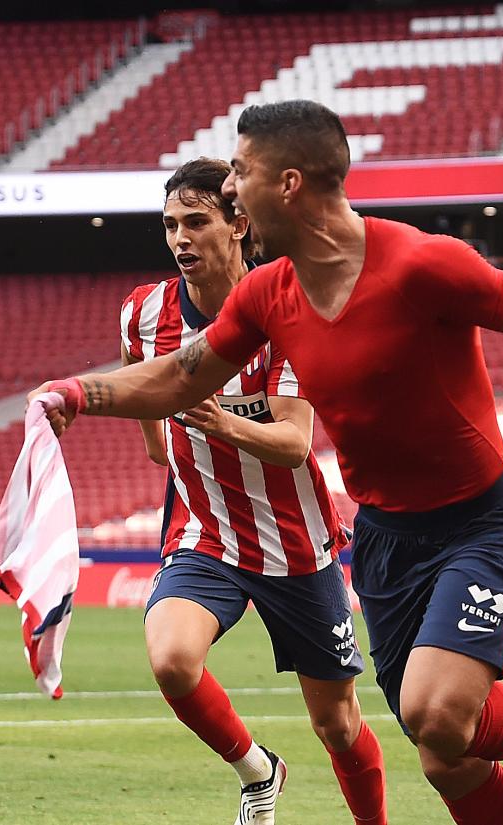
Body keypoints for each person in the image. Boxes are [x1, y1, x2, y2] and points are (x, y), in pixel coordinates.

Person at [32, 99, 503, 825]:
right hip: (385, 540)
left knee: (434, 710)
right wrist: (76, 392)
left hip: (486, 520)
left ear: (289, 183)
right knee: (443, 751)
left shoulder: (422, 264)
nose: (230, 190)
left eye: (242, 172)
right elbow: (180, 374)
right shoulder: (267, 293)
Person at [121, 158, 385, 825]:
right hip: (204, 532)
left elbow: (296, 440)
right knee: (172, 660)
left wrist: (213, 419)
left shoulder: (289, 307)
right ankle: (258, 771)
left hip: (294, 540)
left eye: (196, 222)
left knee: (338, 723)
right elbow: (150, 416)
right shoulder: (142, 314)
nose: (181, 238)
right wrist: (182, 460)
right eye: (170, 225)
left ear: (239, 223)